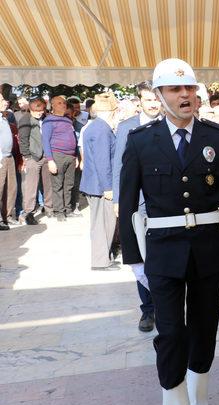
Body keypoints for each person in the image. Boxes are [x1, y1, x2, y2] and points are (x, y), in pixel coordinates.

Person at [119, 58, 219, 405]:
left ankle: (199, 402)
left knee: (204, 329)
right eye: (175, 89)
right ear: (158, 96)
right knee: (171, 333)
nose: (185, 95)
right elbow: (126, 205)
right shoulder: (140, 141)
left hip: (209, 249)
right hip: (163, 253)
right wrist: (133, 258)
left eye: (189, 88)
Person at [112, 81, 162, 332]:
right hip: (138, 204)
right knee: (141, 257)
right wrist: (118, 200)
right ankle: (148, 310)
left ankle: (168, 304)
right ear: (139, 101)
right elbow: (119, 166)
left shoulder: (170, 123)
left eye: (156, 99)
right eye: (148, 100)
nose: (153, 104)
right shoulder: (127, 127)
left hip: (165, 204)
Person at [79, 93, 119, 271]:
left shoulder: (93, 127)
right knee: (103, 224)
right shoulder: (102, 129)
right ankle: (101, 261)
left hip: (93, 184)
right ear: (111, 111)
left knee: (99, 224)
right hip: (100, 186)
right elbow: (103, 161)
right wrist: (108, 187)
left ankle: (102, 258)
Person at [42, 95, 79, 221]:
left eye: (64, 103)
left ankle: (68, 210)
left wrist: (76, 156)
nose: (63, 105)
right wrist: (50, 160)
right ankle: (59, 212)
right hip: (57, 155)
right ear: (52, 105)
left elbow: (73, 138)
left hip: (71, 156)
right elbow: (45, 141)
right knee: (57, 185)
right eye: (59, 103)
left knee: (69, 185)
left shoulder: (68, 120)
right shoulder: (48, 120)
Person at [18, 97, 52, 225]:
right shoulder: (25, 120)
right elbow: (23, 140)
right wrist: (27, 156)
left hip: (45, 156)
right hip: (32, 157)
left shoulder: (45, 118)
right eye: (36, 110)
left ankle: (49, 208)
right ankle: (28, 213)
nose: (39, 113)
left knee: (48, 184)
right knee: (30, 187)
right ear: (30, 109)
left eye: (41, 110)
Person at [0, 95, 19, 228]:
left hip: (9, 157)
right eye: (1, 100)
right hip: (0, 158)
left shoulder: (3, 117)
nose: (5, 102)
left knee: (11, 188)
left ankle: (8, 216)